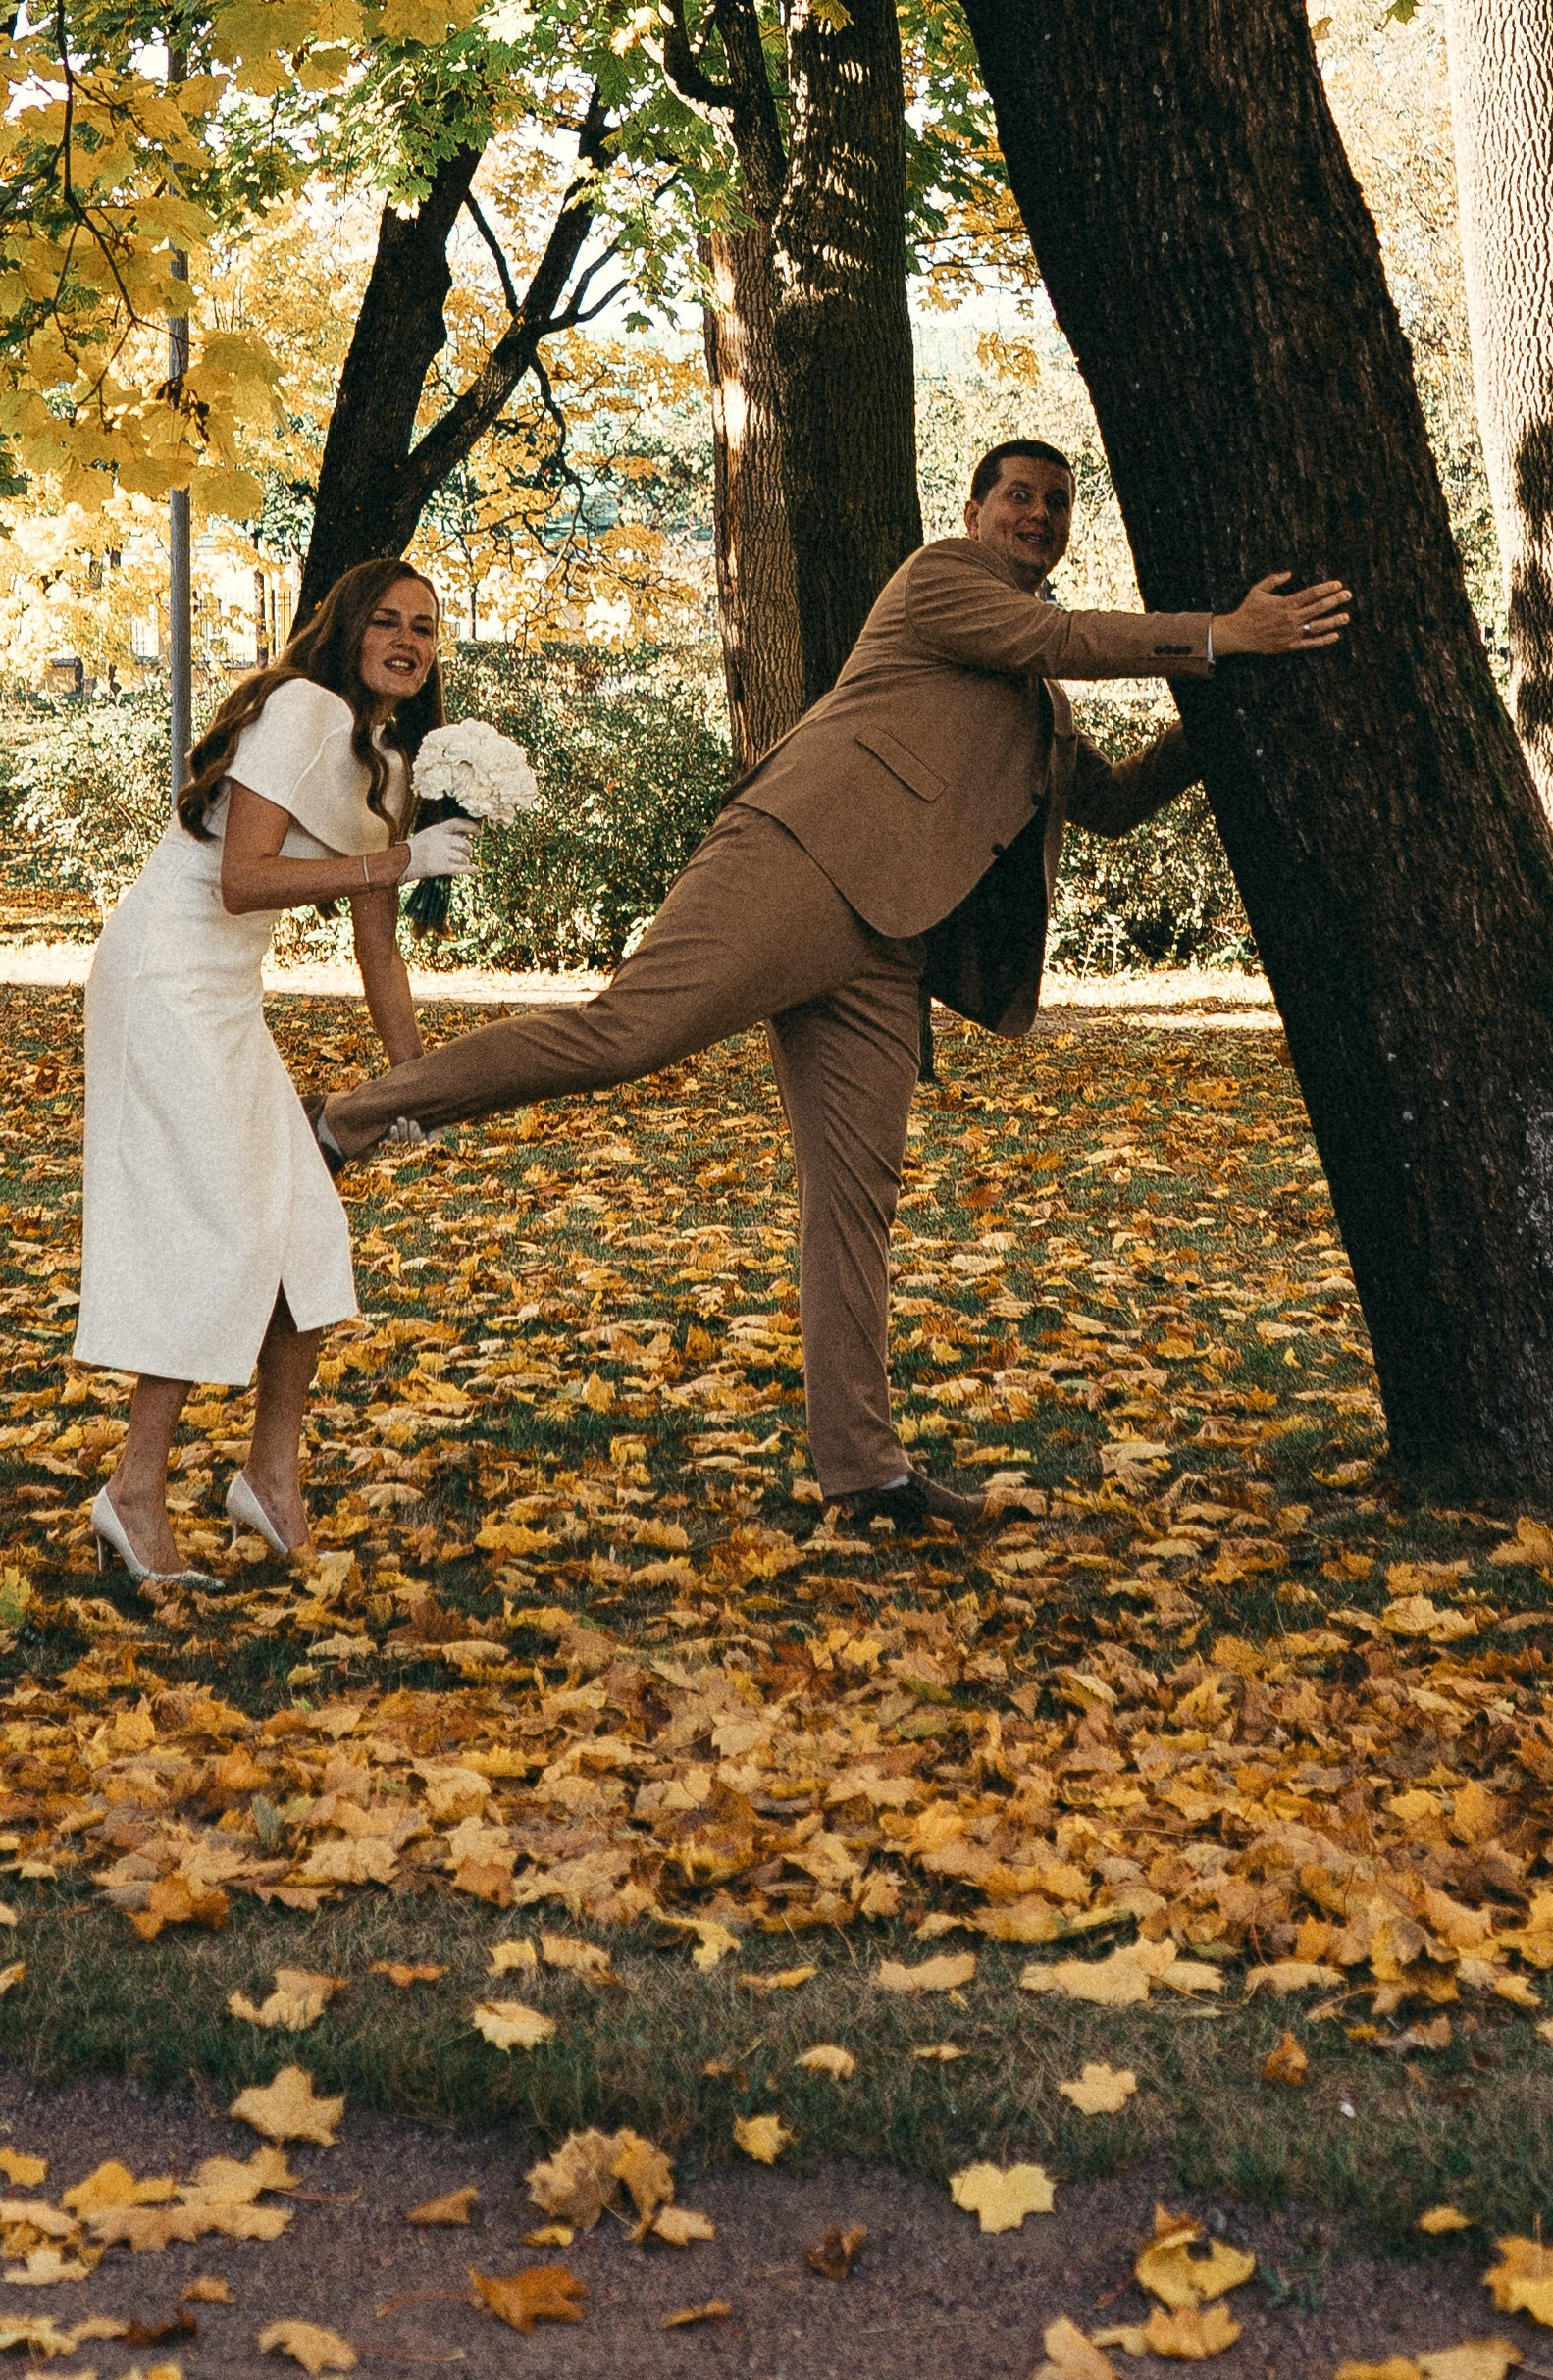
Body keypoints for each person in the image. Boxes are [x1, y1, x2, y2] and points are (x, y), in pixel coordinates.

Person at [321, 443, 1350, 1538]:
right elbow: (1060, 634)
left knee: (854, 1201)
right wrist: (1217, 634)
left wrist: (1230, 710)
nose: (1036, 514)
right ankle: (345, 1119)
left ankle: (867, 1477)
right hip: (796, 862)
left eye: (1055, 502)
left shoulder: (1041, 703)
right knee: (627, 1033)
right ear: (975, 508)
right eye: (1017, 494)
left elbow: (1107, 803)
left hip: (885, 950)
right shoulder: (941, 581)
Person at [76, 555, 480, 1583]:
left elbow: (377, 949)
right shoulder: (300, 708)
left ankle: (268, 1480)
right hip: (165, 976)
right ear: (346, 633)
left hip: (225, 996)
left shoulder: (389, 766)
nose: (406, 640)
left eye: (425, 628)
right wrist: (394, 861)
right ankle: (133, 1486)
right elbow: (240, 879)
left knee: (308, 1232)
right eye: (384, 621)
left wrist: (412, 1083)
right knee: (227, 1225)